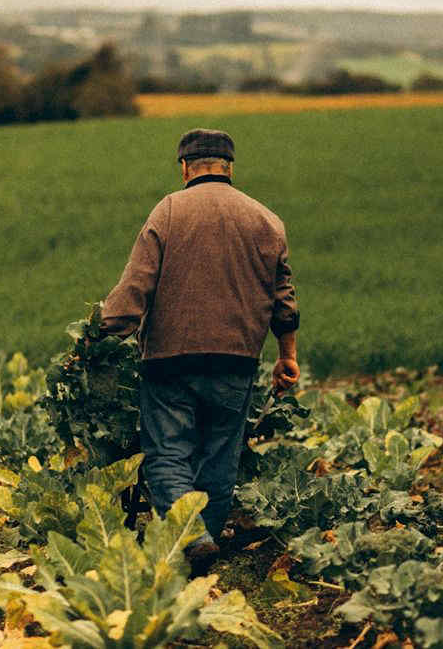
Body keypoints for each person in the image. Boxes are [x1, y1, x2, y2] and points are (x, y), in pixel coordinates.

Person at [101, 128, 300, 563]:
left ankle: (191, 540)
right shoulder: (265, 219)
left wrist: (101, 334)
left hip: (169, 361)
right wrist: (287, 356)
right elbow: (283, 298)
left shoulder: (169, 210)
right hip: (236, 360)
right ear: (229, 167)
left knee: (167, 454)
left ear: (185, 168)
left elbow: (136, 285)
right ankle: (205, 540)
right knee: (220, 456)